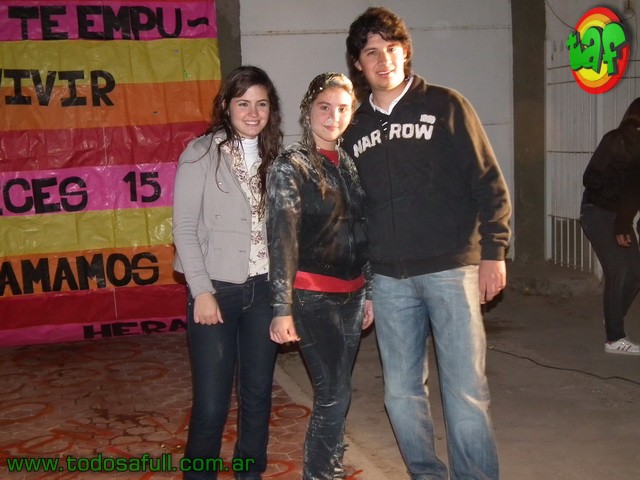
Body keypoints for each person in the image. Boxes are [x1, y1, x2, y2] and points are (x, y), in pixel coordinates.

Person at [342, 7, 512, 480]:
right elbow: (353, 215)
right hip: (389, 280)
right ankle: (427, 474)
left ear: (406, 51)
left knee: (465, 391)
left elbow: (489, 183)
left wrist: (494, 253)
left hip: (450, 270)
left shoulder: (446, 105)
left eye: (391, 48)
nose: (383, 60)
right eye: (371, 52)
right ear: (358, 63)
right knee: (400, 394)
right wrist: (364, 284)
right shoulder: (353, 127)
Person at [172, 65, 283, 480]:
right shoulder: (200, 153)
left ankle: (249, 473)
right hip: (216, 291)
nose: (253, 113)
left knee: (257, 395)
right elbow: (184, 228)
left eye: (261, 104)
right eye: (243, 103)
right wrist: (201, 291)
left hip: (265, 290)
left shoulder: (277, 158)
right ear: (226, 106)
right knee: (212, 403)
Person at [266, 72, 374, 480]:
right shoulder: (290, 166)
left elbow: (362, 228)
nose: (333, 116)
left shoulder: (348, 163)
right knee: (333, 394)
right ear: (307, 110)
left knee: (338, 392)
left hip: (353, 295)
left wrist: (369, 290)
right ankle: (320, 473)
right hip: (312, 295)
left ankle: (331, 464)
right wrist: (282, 308)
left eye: (343, 108)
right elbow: (281, 239)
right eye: (324, 107)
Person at [580, 97, 640, 355]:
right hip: (597, 211)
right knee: (618, 269)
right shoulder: (617, 139)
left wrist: (624, 221)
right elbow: (590, 177)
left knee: (635, 272)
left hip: (620, 218)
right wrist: (618, 191)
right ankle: (614, 338)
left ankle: (613, 317)